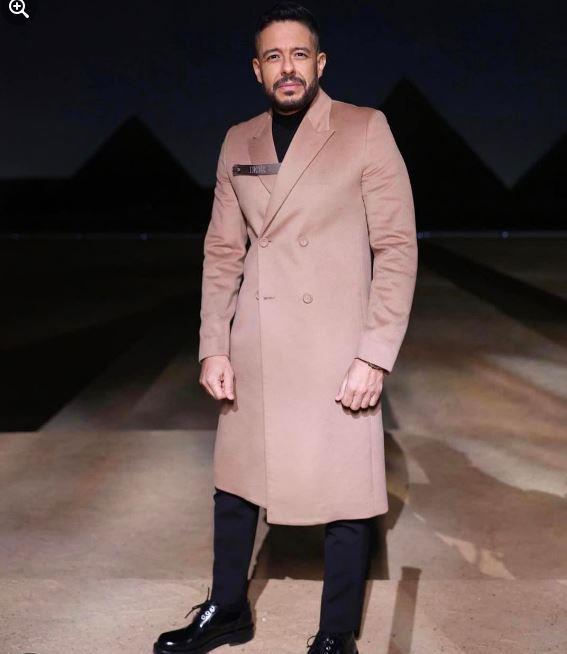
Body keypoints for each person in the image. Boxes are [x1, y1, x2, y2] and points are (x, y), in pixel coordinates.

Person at [153, 2, 417, 653]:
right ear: (257, 69)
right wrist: (213, 345)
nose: (287, 67)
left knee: (347, 494)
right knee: (236, 481)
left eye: (299, 54)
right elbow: (223, 251)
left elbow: (396, 248)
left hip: (337, 348)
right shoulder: (237, 139)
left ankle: (335, 635)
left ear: (319, 63)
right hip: (258, 343)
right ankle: (226, 609)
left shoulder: (364, 128)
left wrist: (375, 354)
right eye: (274, 56)